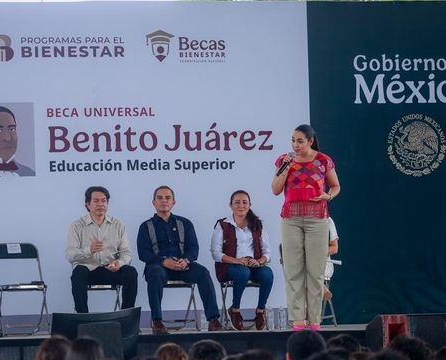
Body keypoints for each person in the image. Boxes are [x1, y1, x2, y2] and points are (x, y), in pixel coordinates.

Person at [271, 124, 340, 331]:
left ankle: (315, 320)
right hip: (291, 218)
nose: (295, 145)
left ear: (310, 141)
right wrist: (284, 168)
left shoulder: (323, 160)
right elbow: (275, 190)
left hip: (317, 218)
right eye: (293, 140)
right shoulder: (284, 160)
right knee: (293, 269)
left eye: (300, 141)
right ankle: (298, 320)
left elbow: (336, 186)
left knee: (315, 270)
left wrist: (328, 196)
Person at [137, 185, 222, 334]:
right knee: (155, 273)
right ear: (153, 202)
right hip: (159, 266)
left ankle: (213, 319)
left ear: (173, 202)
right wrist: (163, 261)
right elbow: (143, 253)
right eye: (160, 198)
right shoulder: (145, 226)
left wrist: (186, 260)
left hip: (183, 266)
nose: (164, 201)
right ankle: (157, 321)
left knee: (203, 273)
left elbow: (194, 248)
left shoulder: (185, 223)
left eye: (168, 198)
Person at [66, 186, 137, 313]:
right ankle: (83, 318)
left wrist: (118, 263)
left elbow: (126, 253)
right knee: (78, 273)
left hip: (111, 269)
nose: (101, 204)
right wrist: (89, 250)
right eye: (96, 201)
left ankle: (127, 316)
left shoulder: (118, 224)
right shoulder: (76, 226)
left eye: (104, 201)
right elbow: (70, 255)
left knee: (130, 272)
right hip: (88, 271)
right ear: (87, 204)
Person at [211, 190, 274, 331]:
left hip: (253, 265)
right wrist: (236, 261)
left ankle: (260, 311)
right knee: (243, 272)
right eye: (237, 202)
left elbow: (267, 252)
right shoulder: (222, 225)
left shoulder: (257, 225)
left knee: (267, 274)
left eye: (244, 202)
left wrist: (260, 262)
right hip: (229, 267)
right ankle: (235, 310)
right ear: (231, 205)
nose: (241, 205)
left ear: (250, 205)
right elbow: (215, 253)